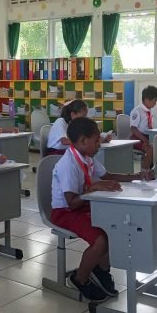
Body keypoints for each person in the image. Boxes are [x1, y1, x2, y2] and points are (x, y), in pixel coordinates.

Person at [50, 117, 126, 302]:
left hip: (83, 205)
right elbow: (71, 202)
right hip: (64, 212)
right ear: (83, 141)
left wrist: (137, 176)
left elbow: (107, 175)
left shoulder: (86, 157)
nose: (99, 144)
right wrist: (93, 188)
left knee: (114, 228)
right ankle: (80, 278)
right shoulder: (68, 164)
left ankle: (101, 271)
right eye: (96, 140)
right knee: (101, 240)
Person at [46, 100, 113, 155]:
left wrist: (103, 139)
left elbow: (88, 137)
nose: (84, 119)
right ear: (73, 114)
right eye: (83, 116)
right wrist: (85, 142)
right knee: (84, 153)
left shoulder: (75, 125)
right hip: (55, 153)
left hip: (66, 151)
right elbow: (64, 141)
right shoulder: (60, 121)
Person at [130, 85, 157, 174]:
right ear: (147, 100)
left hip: (146, 137)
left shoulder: (148, 110)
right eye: (154, 101)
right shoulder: (137, 111)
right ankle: (144, 173)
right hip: (137, 138)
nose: (155, 103)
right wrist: (145, 140)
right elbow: (133, 128)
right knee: (150, 149)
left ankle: (153, 171)